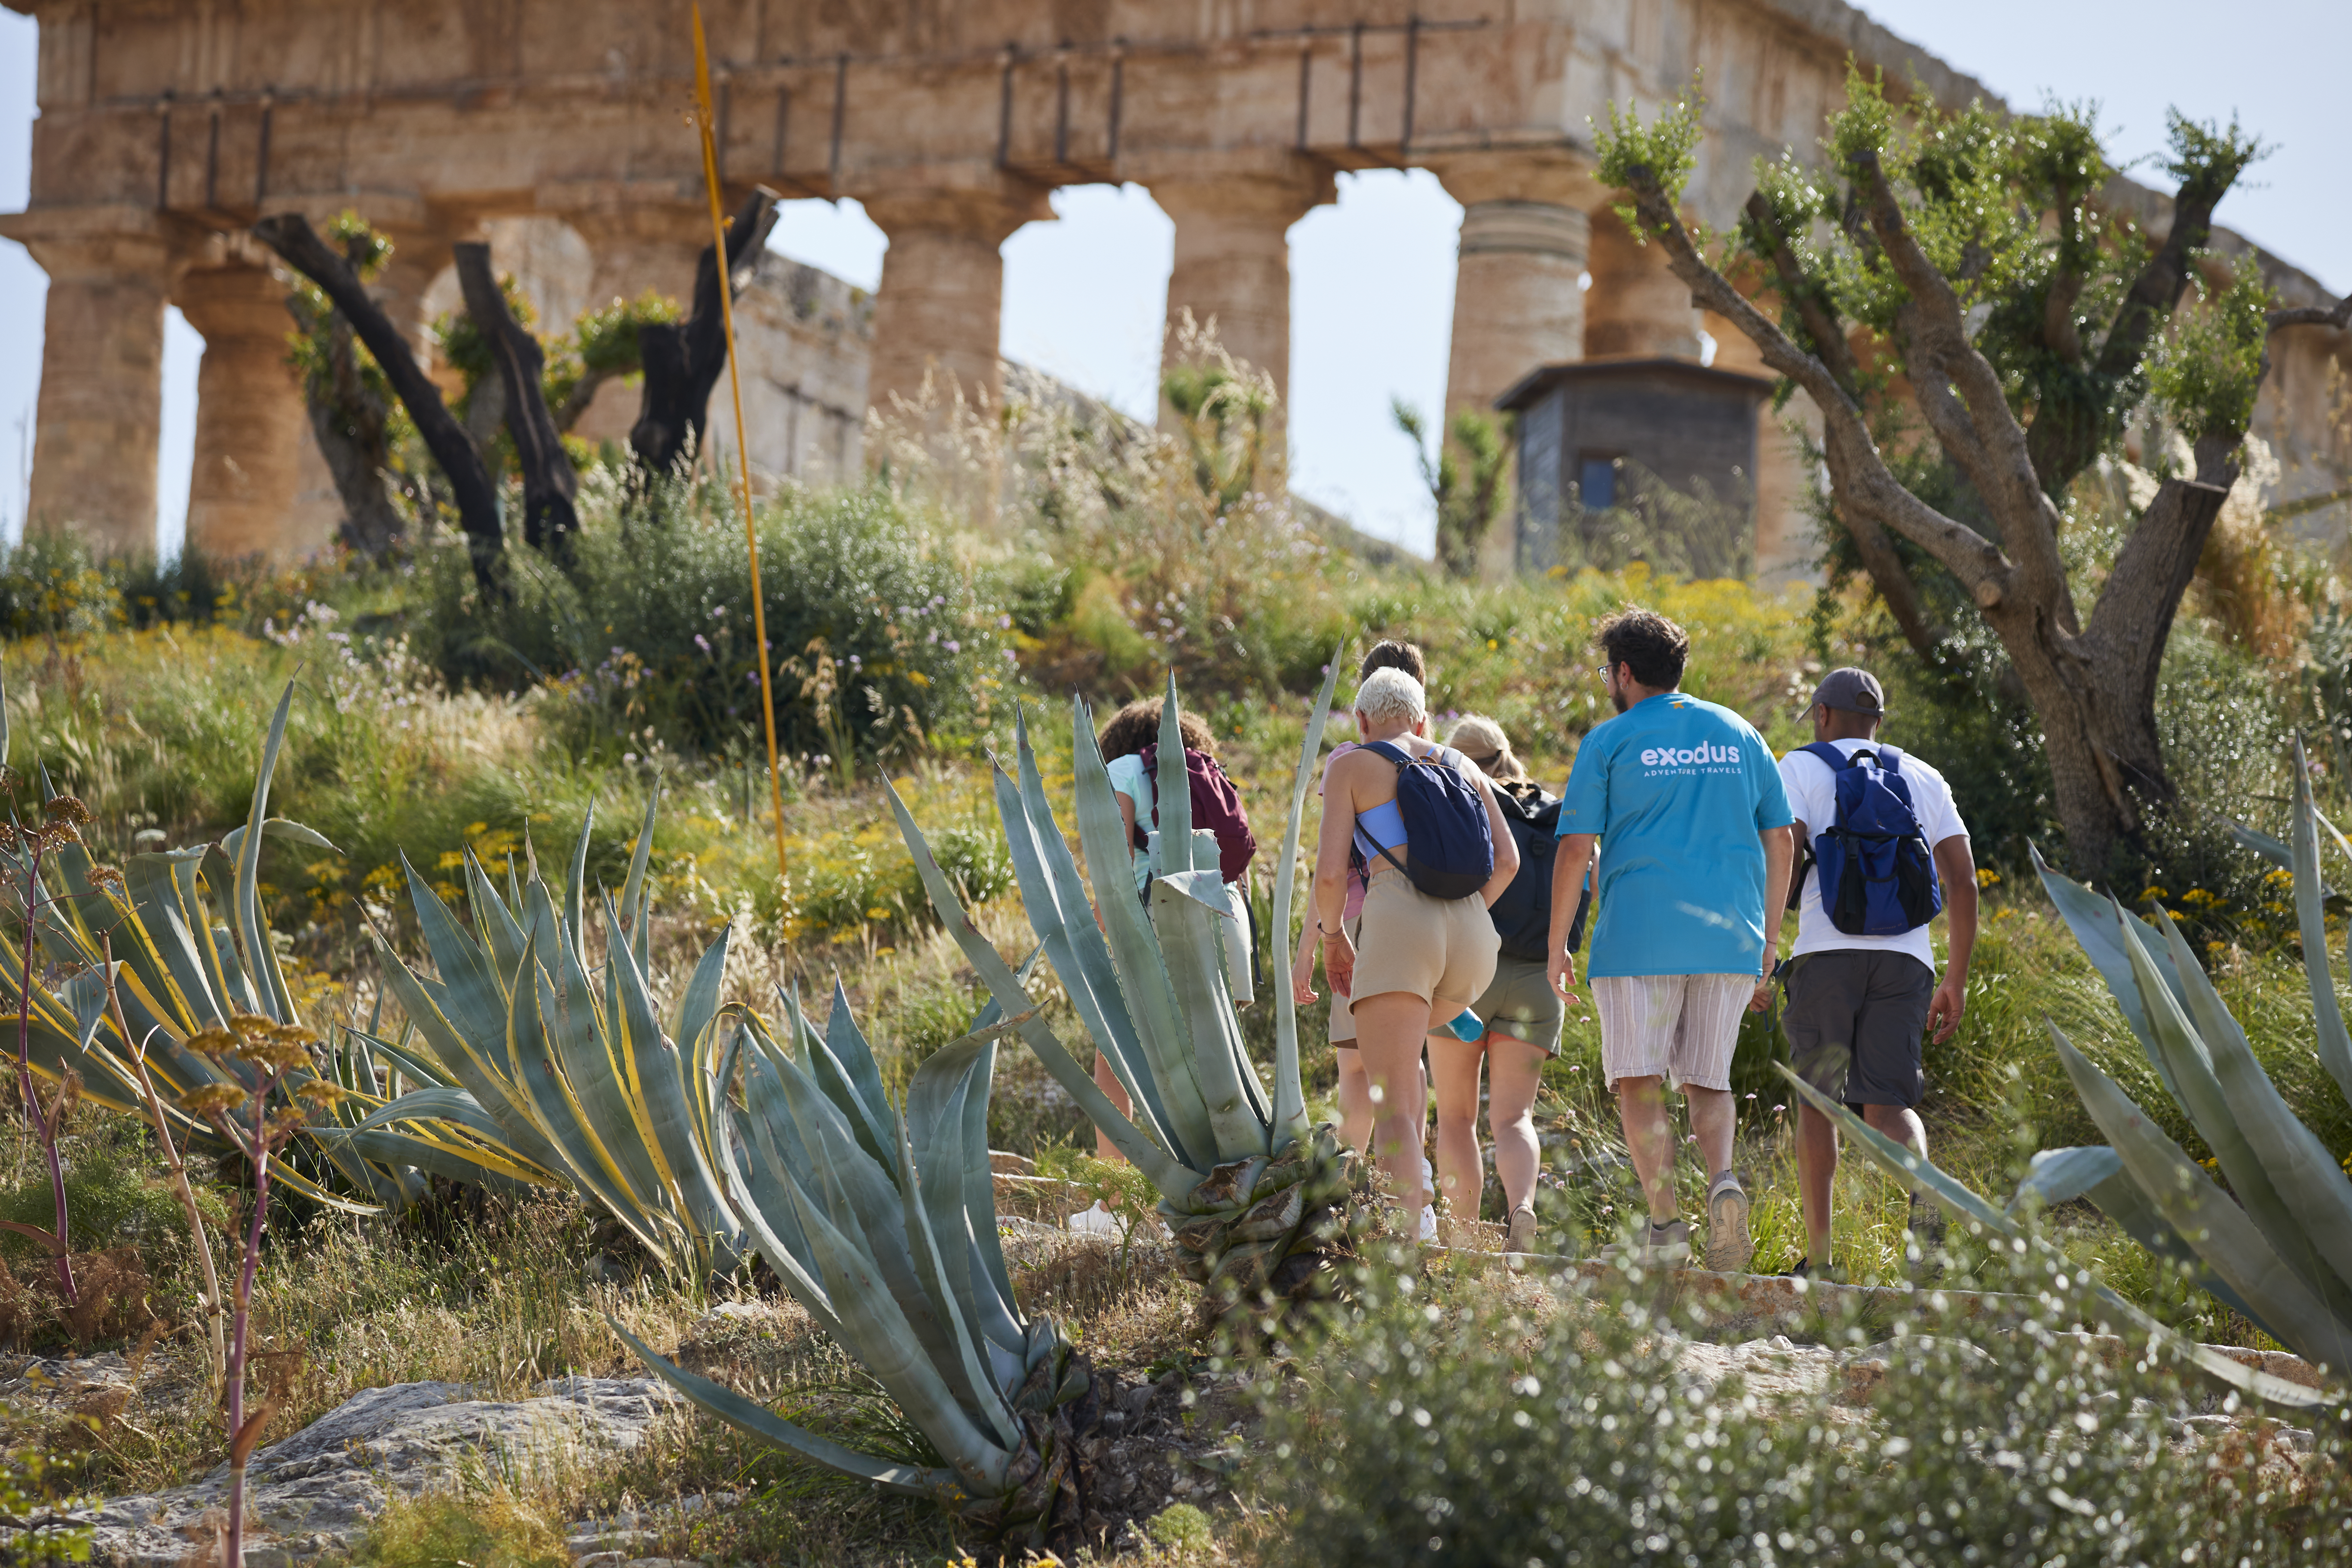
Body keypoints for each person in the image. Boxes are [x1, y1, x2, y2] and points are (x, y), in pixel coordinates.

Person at [1547, 608, 1794, 1272]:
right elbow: (1782, 838)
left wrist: (1557, 943)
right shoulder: (1740, 733)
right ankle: (1723, 1181)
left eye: (1608, 671)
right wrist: (1768, 939)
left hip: (1638, 941)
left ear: (1625, 673)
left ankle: (1665, 1225)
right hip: (1731, 942)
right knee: (1708, 1080)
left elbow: (1575, 849)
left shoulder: (1610, 741)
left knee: (1639, 1081)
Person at [1775, 667, 1977, 1278]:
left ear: (1822, 714)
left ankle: (1823, 1259)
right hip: (1908, 958)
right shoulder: (1922, 775)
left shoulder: (1803, 767)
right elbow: (1962, 880)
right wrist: (1957, 980)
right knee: (1888, 1106)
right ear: (1878, 722)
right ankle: (1927, 1195)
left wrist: (1763, 946)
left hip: (1826, 954)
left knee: (1819, 1103)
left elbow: (1785, 852)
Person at [1315, 667, 1519, 1241]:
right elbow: (1508, 863)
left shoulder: (1351, 763)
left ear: (1361, 721)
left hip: (1401, 924)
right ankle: (1424, 1211)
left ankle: (1412, 1229)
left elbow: (1331, 875)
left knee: (1392, 1104)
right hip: (1475, 939)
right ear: (1424, 719)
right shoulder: (1462, 764)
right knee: (1406, 1072)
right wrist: (1464, 912)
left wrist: (1334, 937)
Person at [1069, 697, 1257, 1236]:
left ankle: (1111, 1206)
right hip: (1220, 919)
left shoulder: (1123, 771)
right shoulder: (1210, 773)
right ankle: (1224, 1189)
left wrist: (1108, 919)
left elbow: (1114, 863)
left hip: (1157, 916)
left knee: (1116, 1058)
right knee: (1211, 1060)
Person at [1428, 715, 1566, 1254]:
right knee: (1514, 1117)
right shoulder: (1554, 812)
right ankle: (1522, 1210)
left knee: (1457, 1117)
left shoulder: (1466, 806)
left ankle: (1461, 1238)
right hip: (1538, 982)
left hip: (1470, 976)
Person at [1290, 640, 1429, 1158]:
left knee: (1356, 1064)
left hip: (1359, 924)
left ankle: (1350, 1183)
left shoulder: (1350, 761)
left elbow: (1333, 869)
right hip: (1435, 926)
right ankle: (1423, 1189)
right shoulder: (1443, 761)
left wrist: (1311, 949)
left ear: (1362, 709)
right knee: (1409, 1060)